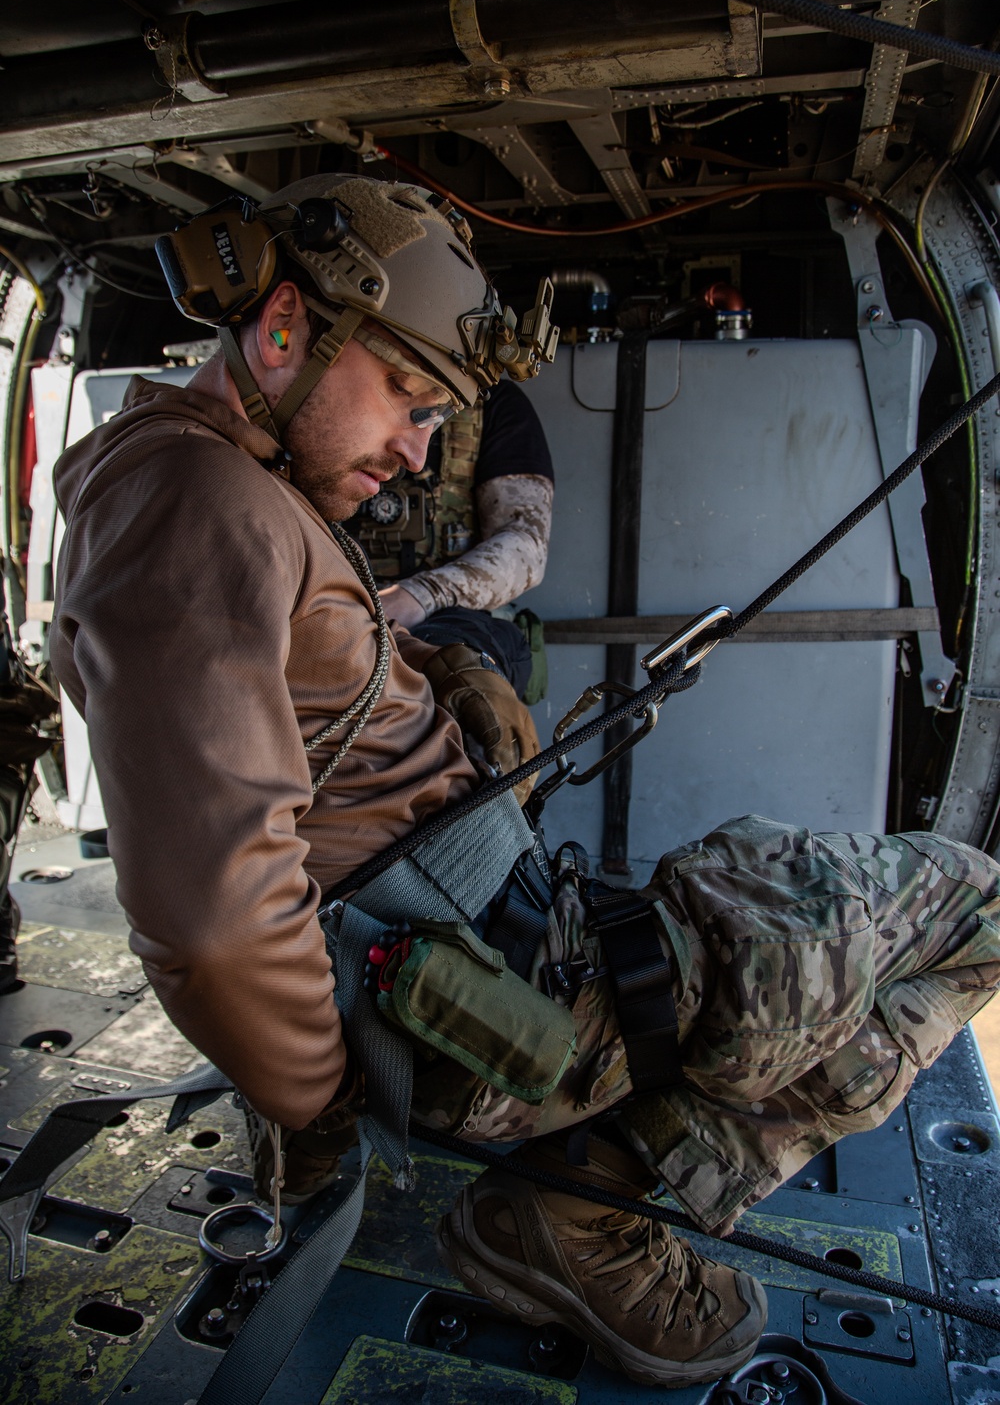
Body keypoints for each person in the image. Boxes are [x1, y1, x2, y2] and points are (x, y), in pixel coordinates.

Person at [49, 175, 1000, 1391]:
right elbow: (209, 923)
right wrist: (327, 1113)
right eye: (406, 395)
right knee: (965, 901)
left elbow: (300, 678)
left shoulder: (208, 477)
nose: (414, 451)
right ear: (285, 326)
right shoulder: (196, 500)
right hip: (491, 1002)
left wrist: (440, 668)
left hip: (486, 940)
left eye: (438, 418)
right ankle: (589, 1211)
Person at [348, 373, 554, 700]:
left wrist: (417, 596)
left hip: (452, 616)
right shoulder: (353, 381)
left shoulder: (495, 404)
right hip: (340, 602)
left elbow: (525, 550)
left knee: (459, 679)